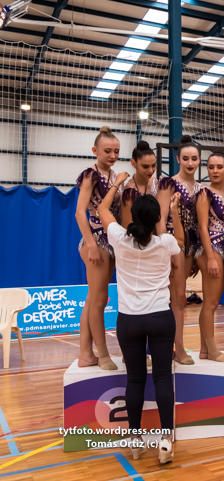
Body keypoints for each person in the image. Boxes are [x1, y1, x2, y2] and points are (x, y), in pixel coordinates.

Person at [97, 172, 182, 464]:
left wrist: (118, 183)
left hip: (129, 319)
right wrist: (175, 213)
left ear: (132, 216)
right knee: (161, 377)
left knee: (135, 379)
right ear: (157, 218)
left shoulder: (119, 238)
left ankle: (134, 441)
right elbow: (179, 246)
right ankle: (166, 441)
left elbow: (101, 211)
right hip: (160, 316)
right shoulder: (165, 243)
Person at [75, 126, 121, 370]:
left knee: (92, 299)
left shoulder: (114, 177)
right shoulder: (90, 175)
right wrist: (91, 243)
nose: (112, 155)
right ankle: (102, 354)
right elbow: (79, 212)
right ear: (95, 150)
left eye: (116, 151)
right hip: (96, 240)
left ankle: (85, 354)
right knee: (99, 300)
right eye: (107, 151)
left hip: (110, 240)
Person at [157, 135, 203, 365]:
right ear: (178, 159)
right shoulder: (168, 183)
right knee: (171, 299)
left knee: (179, 300)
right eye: (186, 158)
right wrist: (167, 248)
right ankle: (175, 348)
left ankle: (178, 347)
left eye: (194, 158)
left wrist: (195, 254)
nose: (190, 163)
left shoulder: (201, 188)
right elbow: (161, 219)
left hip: (190, 248)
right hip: (171, 247)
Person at [196, 152, 224, 362]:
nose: (215, 171)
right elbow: (202, 226)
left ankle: (203, 349)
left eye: (219, 166)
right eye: (211, 167)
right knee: (210, 302)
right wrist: (210, 256)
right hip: (212, 248)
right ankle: (212, 350)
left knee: (213, 301)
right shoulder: (204, 193)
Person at [120, 141, 159, 228]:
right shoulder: (129, 191)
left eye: (153, 165)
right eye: (145, 166)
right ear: (133, 163)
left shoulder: (158, 185)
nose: (151, 171)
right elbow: (127, 226)